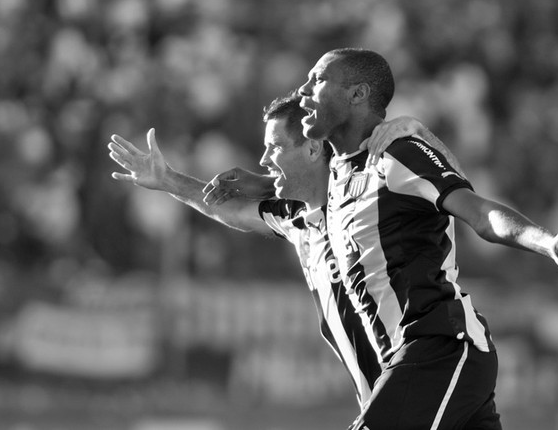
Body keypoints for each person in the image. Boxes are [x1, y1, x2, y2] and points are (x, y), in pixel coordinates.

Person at [294, 47, 558, 430]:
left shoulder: (398, 156)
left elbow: (479, 212)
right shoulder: (338, 174)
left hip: (440, 348)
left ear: (358, 94)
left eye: (318, 80)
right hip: (416, 359)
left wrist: (547, 244)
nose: (303, 91)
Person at [107, 91, 446, 407]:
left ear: (313, 149)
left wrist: (422, 135)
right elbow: (232, 212)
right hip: (388, 399)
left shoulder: (374, 200)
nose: (264, 159)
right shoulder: (296, 218)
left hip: (420, 386)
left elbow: (456, 193)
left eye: (275, 147)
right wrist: (166, 180)